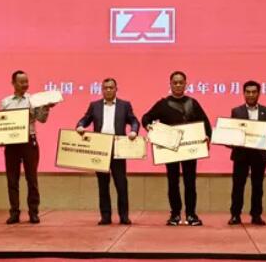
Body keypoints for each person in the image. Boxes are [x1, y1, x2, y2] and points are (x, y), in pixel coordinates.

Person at [141, 71, 212, 226]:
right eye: (175, 82)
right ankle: (175, 215)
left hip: (190, 149)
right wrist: (150, 127)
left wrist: (207, 136)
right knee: (173, 183)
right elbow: (146, 118)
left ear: (186, 84)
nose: (178, 85)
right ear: (170, 84)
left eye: (181, 82)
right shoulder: (163, 104)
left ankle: (191, 214)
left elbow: (205, 122)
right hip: (170, 151)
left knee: (190, 183)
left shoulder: (193, 103)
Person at [76, 78, 140, 225]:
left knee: (121, 183)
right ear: (102, 90)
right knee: (103, 184)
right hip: (100, 148)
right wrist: (80, 125)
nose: (108, 90)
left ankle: (124, 216)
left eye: (111, 87)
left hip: (118, 148)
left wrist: (134, 131)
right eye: (105, 88)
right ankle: (105, 216)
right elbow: (85, 119)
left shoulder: (124, 105)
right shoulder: (95, 105)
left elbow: (134, 121)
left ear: (116, 89)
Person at [0, 70, 56, 225]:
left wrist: (46, 108)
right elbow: (1, 123)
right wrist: (0, 137)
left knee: (32, 179)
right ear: (13, 83)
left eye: (26, 81)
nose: (25, 84)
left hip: (29, 142)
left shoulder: (33, 100)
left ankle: (33, 212)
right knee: (12, 180)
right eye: (21, 82)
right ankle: (14, 213)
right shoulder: (5, 102)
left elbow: (42, 119)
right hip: (11, 145)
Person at [228, 80, 266, 226]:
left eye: (254, 92)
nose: (251, 95)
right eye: (248, 92)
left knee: (258, 186)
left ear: (259, 93)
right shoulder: (236, 111)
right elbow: (231, 131)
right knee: (238, 186)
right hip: (241, 154)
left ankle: (256, 215)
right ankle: (235, 215)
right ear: (244, 93)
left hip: (259, 155)